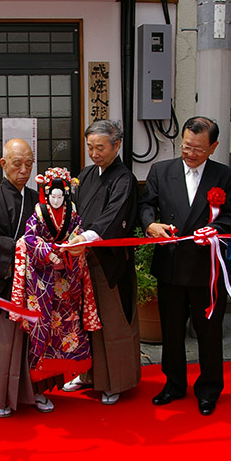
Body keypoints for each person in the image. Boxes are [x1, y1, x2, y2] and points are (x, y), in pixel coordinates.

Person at [138, 116, 231, 416]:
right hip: (170, 265)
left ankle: (209, 389)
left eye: (198, 148)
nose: (190, 153)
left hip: (207, 269)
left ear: (213, 147)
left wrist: (216, 228)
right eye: (186, 146)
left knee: (209, 331)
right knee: (171, 331)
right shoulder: (161, 170)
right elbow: (146, 205)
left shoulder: (226, 176)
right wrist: (150, 225)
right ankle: (173, 384)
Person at [10, 167, 100, 413]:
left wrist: (70, 250)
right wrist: (48, 253)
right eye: (53, 195)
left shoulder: (73, 214)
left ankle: (67, 375)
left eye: (61, 196)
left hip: (66, 281)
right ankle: (38, 386)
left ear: (66, 194)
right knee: (41, 329)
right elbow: (28, 239)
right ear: (46, 194)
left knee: (68, 327)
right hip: (42, 281)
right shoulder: (39, 213)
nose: (57, 200)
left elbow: (77, 236)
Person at [65, 119, 140, 405]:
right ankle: (84, 374)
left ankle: (115, 381)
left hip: (107, 263)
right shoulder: (84, 174)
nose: (94, 153)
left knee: (111, 322)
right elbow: (73, 211)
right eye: (90, 147)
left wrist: (87, 236)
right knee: (83, 322)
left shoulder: (124, 179)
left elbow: (114, 217)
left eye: (100, 147)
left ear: (116, 145)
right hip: (79, 259)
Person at [0, 138, 45, 417]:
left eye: (29, 164)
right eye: (17, 163)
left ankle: (37, 393)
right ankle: (2, 398)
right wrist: (24, 249)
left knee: (38, 339)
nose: (24, 170)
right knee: (7, 340)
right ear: (3, 164)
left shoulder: (36, 199)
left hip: (35, 280)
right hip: (6, 280)